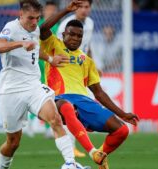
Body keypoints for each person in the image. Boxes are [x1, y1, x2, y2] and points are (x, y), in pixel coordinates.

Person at [0, 1, 91, 169]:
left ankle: (70, 164)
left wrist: (51, 59)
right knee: (13, 142)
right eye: (30, 18)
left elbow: (37, 47)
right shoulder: (11, 28)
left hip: (33, 86)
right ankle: (2, 167)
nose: (34, 22)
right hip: (11, 90)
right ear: (21, 15)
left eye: (37, 18)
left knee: (55, 119)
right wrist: (20, 43)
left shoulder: (35, 28)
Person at [40, 1, 139, 169]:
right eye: (71, 34)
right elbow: (43, 29)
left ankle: (100, 156)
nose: (75, 38)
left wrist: (122, 114)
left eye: (79, 36)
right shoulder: (53, 46)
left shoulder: (87, 61)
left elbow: (99, 93)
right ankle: (92, 151)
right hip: (58, 99)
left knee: (122, 131)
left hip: (83, 101)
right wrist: (66, 10)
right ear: (63, 34)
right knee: (67, 107)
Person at [57, 0, 94, 157]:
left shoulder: (90, 24)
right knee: (70, 108)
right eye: (81, 7)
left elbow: (87, 47)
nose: (84, 10)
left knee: (85, 104)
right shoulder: (66, 25)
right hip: (66, 71)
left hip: (81, 68)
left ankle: (75, 141)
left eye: (87, 7)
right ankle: (70, 146)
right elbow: (57, 47)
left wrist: (93, 64)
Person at [27, 0, 60, 139]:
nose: (50, 13)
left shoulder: (59, 26)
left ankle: (47, 127)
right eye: (48, 10)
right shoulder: (38, 26)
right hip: (39, 63)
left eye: (53, 11)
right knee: (41, 94)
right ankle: (30, 123)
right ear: (44, 12)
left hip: (53, 64)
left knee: (49, 95)